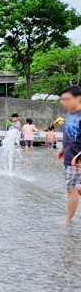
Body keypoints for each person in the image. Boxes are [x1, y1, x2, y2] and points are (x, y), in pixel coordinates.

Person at [58, 86, 81, 224]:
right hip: (70, 157)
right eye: (62, 99)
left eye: (67, 99)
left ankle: (68, 219)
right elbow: (69, 135)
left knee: (74, 188)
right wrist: (63, 148)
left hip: (77, 158)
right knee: (73, 188)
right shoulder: (70, 114)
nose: (63, 102)